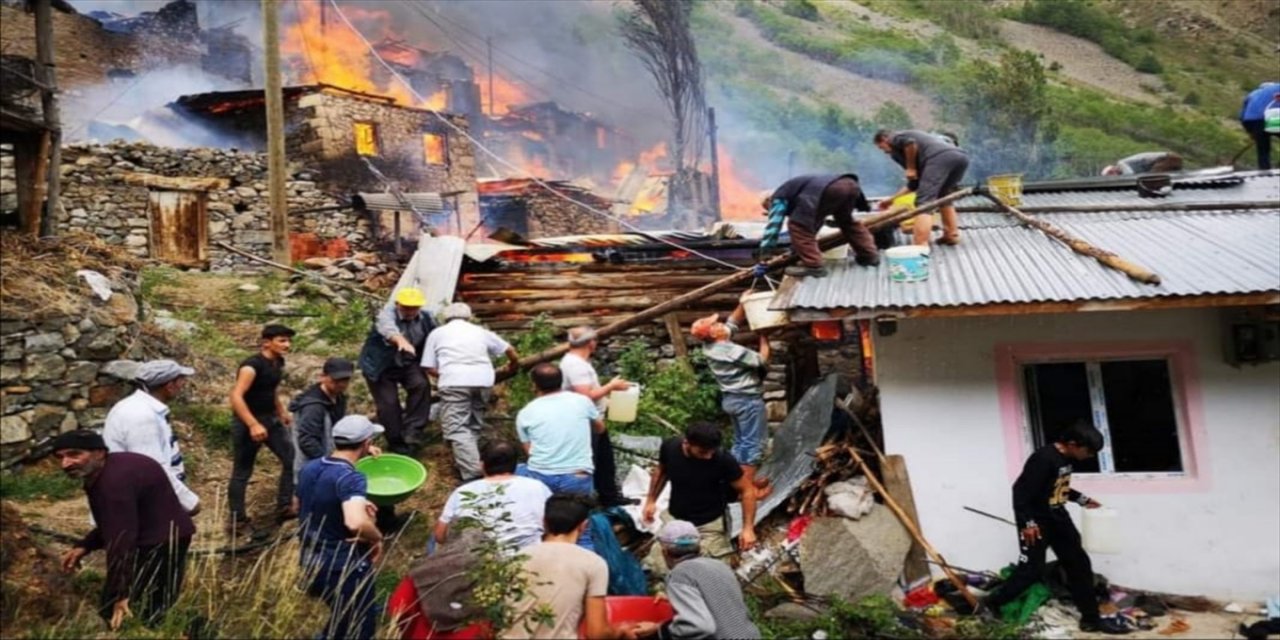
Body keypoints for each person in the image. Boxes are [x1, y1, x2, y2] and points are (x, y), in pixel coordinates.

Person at [982, 422, 1130, 635]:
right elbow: (1020, 492)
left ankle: (1091, 619)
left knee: (1079, 564)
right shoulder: (1042, 459)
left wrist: (1082, 499)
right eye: (1087, 451)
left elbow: (1058, 486)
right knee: (1031, 570)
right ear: (1072, 444)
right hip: (1037, 524)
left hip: (1058, 519)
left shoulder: (1065, 459)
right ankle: (991, 603)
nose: (1089, 456)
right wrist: (1027, 524)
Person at [56, 431, 196, 630]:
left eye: (74, 454)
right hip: (164, 534)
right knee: (146, 605)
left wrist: (121, 595)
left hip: (160, 543)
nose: (65, 464)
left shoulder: (112, 483)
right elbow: (114, 522)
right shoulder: (112, 468)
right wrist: (84, 546)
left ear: (99, 453)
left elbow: (121, 540)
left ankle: (199, 630)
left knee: (145, 613)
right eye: (60, 457)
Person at [297, 415, 386, 640]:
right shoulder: (351, 478)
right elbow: (354, 522)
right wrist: (376, 538)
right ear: (366, 443)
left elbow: (306, 502)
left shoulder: (310, 467)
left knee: (340, 617)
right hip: (341, 566)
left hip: (309, 559)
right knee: (359, 626)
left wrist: (352, 503)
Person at [506, 495, 641, 640]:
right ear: (584, 526)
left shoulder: (517, 558)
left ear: (544, 522)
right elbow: (596, 633)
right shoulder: (593, 563)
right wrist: (619, 631)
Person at [642, 422, 760, 575]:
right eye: (703, 452)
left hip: (709, 523)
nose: (709, 456)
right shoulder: (670, 447)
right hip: (676, 519)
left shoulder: (722, 459)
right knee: (659, 569)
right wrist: (651, 501)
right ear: (687, 443)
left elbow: (747, 491)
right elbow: (662, 471)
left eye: (712, 451)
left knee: (714, 573)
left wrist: (748, 528)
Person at [690, 296, 774, 502]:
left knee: (740, 443)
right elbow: (761, 360)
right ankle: (747, 491)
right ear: (713, 333)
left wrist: (744, 302)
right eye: (715, 324)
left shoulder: (712, 345)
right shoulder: (728, 350)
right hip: (746, 400)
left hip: (732, 400)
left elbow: (732, 323)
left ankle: (739, 483)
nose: (720, 323)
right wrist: (764, 336)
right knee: (752, 445)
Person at [423, 302, 518, 481]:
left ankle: (474, 475)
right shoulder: (480, 331)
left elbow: (428, 366)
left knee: (457, 428)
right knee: (474, 423)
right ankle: (473, 461)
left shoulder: (437, 333)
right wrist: (513, 366)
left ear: (446, 318)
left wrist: (446, 374)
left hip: (454, 381)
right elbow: (510, 350)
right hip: (483, 380)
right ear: (468, 317)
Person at [515, 363, 602, 550]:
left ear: (534, 385)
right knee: (581, 529)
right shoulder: (581, 402)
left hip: (541, 475)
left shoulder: (526, 413)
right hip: (577, 475)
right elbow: (600, 427)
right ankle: (585, 574)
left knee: (543, 526)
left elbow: (529, 451)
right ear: (561, 381)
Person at [632, 520, 762, 640]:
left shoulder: (680, 574)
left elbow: (699, 626)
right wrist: (676, 599)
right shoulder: (719, 566)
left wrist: (657, 629)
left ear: (665, 552)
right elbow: (718, 604)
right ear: (699, 546)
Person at [103, 359, 200, 515]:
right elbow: (152, 468)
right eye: (181, 380)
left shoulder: (137, 407)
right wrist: (189, 501)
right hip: (139, 506)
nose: (183, 385)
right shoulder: (141, 416)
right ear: (169, 386)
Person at [228, 323, 296, 532]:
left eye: (288, 340)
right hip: (249, 422)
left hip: (271, 419)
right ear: (266, 342)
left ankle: (284, 506)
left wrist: (281, 410)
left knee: (291, 457)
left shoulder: (277, 362)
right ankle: (237, 520)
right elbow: (236, 396)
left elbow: (270, 389)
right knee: (242, 471)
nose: (287, 345)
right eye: (282, 341)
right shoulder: (251, 366)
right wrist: (252, 424)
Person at [560, 326, 635, 507]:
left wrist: (606, 401)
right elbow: (585, 395)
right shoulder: (575, 365)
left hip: (594, 418)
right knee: (591, 461)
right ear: (590, 343)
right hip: (586, 421)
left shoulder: (576, 362)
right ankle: (584, 502)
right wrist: (611, 386)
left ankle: (609, 497)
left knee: (604, 460)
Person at [434, 440, 552, 552]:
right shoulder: (538, 487)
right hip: (530, 556)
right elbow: (552, 525)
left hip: (479, 560)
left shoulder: (462, 492)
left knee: (433, 540)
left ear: (482, 464)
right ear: (516, 465)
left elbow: (440, 535)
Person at [358, 287, 436, 455]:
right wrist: (400, 340)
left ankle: (413, 433)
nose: (410, 311)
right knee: (389, 404)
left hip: (409, 362)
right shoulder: (386, 314)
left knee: (421, 386)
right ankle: (395, 441)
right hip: (380, 366)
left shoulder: (427, 317)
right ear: (398, 304)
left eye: (414, 308)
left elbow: (436, 336)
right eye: (406, 307)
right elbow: (388, 329)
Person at [760, 174, 879, 278]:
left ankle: (814, 266)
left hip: (829, 189)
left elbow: (774, 226)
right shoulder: (798, 193)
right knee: (847, 222)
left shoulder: (778, 197)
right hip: (850, 184)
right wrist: (796, 250)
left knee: (797, 226)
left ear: (768, 202)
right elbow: (813, 225)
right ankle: (869, 255)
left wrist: (765, 253)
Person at [874, 128, 970, 246]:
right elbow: (914, 184)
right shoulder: (899, 154)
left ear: (884, 139)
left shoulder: (896, 137)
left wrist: (911, 168)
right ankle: (951, 235)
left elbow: (909, 143)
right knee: (943, 195)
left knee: (924, 203)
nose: (883, 151)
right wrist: (891, 200)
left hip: (940, 158)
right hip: (960, 157)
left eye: (881, 147)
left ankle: (920, 245)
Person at [290, 357, 354, 477]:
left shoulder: (339, 397)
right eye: (336, 380)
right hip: (310, 468)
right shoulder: (313, 407)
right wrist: (329, 463)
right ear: (323, 377)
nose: (341, 384)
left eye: (345, 380)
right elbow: (307, 441)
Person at [1239, 81, 1280, 170]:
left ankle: (1264, 172)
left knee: (1263, 150)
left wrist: (1251, 132)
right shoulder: (1276, 89)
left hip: (1252, 121)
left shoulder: (1252, 94)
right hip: (1270, 119)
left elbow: (1242, 116)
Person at [1100, 151, 1183, 176]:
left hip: (1167, 158)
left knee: (1151, 178)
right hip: (1170, 158)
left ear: (1112, 170)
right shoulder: (1126, 164)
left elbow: (1130, 175)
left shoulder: (1122, 163)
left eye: (1111, 174)